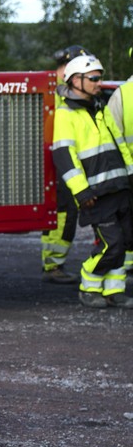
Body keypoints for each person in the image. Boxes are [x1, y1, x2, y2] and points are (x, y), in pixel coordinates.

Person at [50, 53, 132, 308]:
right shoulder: (66, 114)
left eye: (100, 78)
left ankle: (113, 291)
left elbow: (119, 144)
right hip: (95, 194)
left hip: (119, 187)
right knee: (112, 243)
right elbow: (65, 156)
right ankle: (89, 284)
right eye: (94, 78)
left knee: (127, 241)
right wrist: (81, 191)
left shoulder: (100, 109)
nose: (99, 83)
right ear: (76, 80)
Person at [42, 45, 91, 284]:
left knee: (64, 212)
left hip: (61, 157)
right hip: (58, 159)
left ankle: (53, 261)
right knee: (63, 213)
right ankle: (53, 263)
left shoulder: (57, 87)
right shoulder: (56, 89)